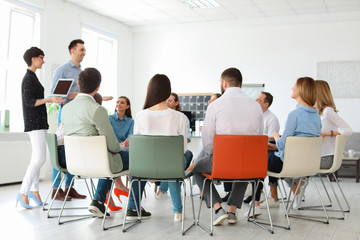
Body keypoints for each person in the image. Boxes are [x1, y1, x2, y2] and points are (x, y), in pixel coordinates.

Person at [191, 67, 264, 226]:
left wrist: (215, 156)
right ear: (240, 83)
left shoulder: (215, 105)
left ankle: (218, 208)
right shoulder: (256, 106)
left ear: (224, 83)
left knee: (196, 168)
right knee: (244, 167)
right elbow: (260, 137)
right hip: (248, 165)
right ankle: (232, 211)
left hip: (222, 162)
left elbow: (207, 140)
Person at [61, 68, 129, 218]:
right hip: (98, 163)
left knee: (108, 158)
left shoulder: (65, 109)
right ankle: (133, 208)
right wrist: (122, 146)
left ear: (78, 83)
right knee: (131, 158)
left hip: (75, 164)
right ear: (98, 87)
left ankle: (99, 201)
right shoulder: (97, 110)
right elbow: (112, 145)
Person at [252, 77, 321, 216]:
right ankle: (296, 184)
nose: (292, 88)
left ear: (301, 90)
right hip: (307, 164)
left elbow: (283, 144)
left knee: (257, 160)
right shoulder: (316, 116)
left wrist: (276, 136)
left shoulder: (294, 114)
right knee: (270, 156)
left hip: (288, 164)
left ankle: (256, 203)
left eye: (294, 86)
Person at [131, 74, 188, 222]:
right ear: (168, 91)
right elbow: (181, 150)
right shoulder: (179, 117)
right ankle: (177, 212)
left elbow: (137, 148)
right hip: (170, 169)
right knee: (179, 159)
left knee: (141, 166)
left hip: (143, 169)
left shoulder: (140, 115)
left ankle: (132, 207)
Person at [17, 47, 65, 209]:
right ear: (33, 58)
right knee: (39, 159)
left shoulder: (32, 77)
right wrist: (50, 99)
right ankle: (23, 192)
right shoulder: (28, 79)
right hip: (34, 123)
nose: (43, 61)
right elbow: (30, 102)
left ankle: (35, 191)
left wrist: (50, 99)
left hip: (40, 123)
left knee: (37, 158)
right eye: (41, 57)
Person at [243, 91, 280, 206]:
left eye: (259, 100)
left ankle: (255, 192)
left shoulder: (272, 118)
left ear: (266, 104)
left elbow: (271, 139)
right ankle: (255, 192)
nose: (255, 100)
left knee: (259, 161)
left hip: (267, 150)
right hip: (255, 148)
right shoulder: (253, 116)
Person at [155, 93, 193, 200]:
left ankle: (163, 189)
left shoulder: (183, 118)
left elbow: (188, 138)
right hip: (163, 152)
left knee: (187, 154)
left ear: (176, 103)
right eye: (166, 100)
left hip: (177, 151)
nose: (167, 102)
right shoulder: (159, 117)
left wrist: (177, 140)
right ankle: (172, 184)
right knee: (175, 162)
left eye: (170, 100)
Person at [315, 80, 352, 169]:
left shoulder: (327, 111)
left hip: (326, 158)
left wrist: (327, 134)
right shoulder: (317, 112)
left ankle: (298, 182)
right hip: (317, 156)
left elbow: (348, 130)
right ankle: (297, 182)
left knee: (287, 162)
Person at [106, 96, 133, 210]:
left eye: (122, 103)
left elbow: (131, 136)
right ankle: (119, 186)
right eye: (117, 102)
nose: (118, 104)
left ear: (127, 106)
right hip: (113, 148)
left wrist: (128, 140)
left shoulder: (131, 121)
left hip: (125, 148)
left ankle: (114, 189)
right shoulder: (109, 118)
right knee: (113, 154)